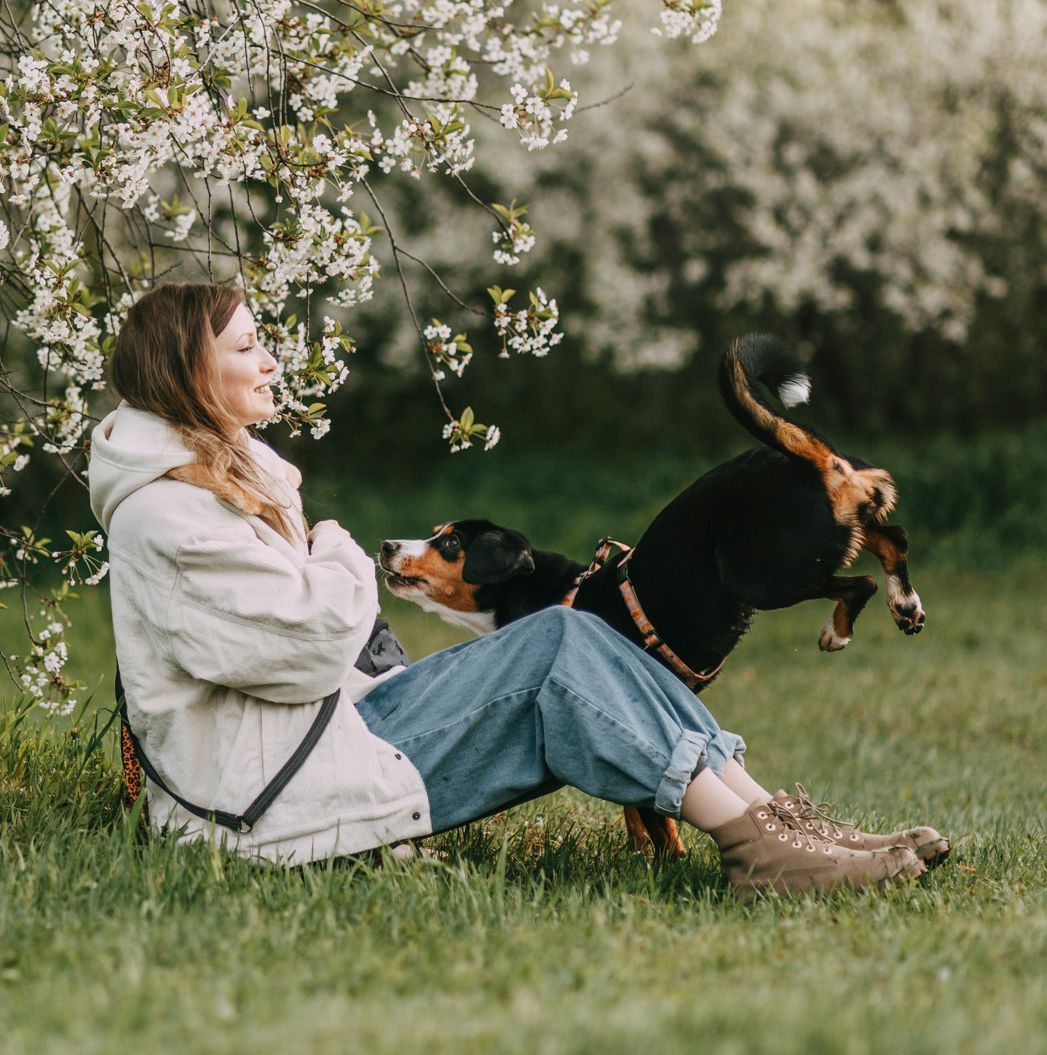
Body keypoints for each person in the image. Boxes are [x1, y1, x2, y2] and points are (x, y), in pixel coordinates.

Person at [88, 282, 947, 899]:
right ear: (184, 374)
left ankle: (781, 828)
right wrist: (339, 552)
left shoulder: (208, 484)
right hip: (269, 797)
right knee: (564, 643)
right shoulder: (168, 515)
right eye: (245, 347)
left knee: (578, 636)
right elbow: (305, 645)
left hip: (313, 739)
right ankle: (760, 845)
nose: (271, 359)